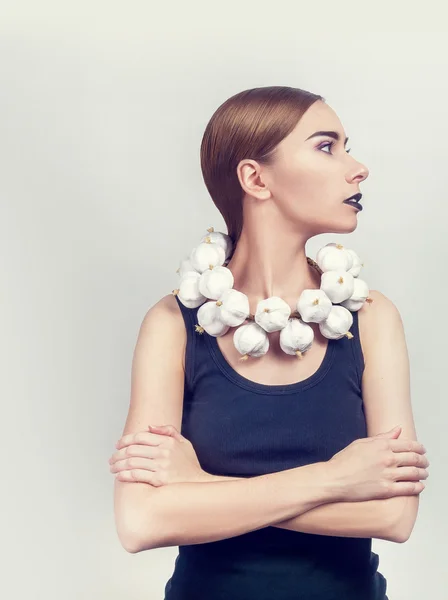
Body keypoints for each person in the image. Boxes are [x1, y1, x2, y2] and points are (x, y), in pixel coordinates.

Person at [109, 86, 429, 600]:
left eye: (347, 146)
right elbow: (142, 521)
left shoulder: (372, 319)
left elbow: (394, 514)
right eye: (327, 146)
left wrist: (200, 488)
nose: (358, 167)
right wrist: (337, 479)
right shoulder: (171, 324)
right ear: (255, 178)